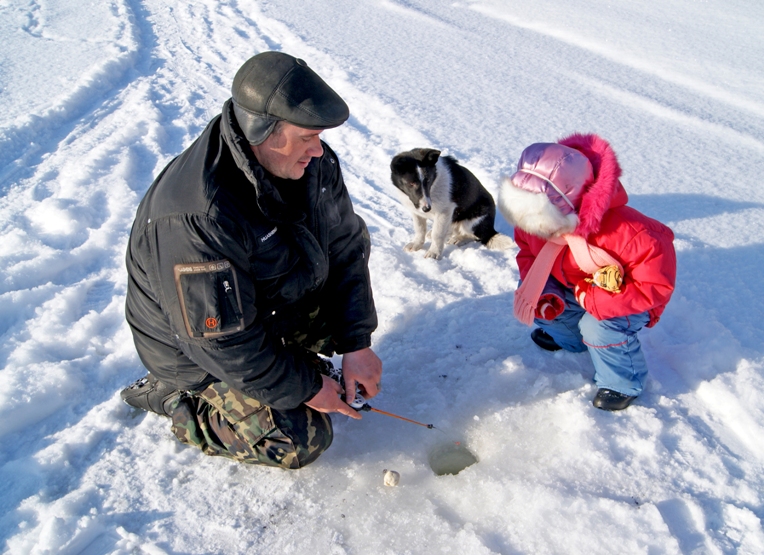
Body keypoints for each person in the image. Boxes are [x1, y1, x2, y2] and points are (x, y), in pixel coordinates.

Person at [120, 51, 382, 468]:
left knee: (342, 280)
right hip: (196, 351)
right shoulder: (199, 215)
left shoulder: (313, 165)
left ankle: (287, 359)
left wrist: (357, 344)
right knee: (300, 438)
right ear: (263, 130)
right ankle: (175, 399)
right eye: (306, 137)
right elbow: (221, 342)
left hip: (261, 305)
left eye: (319, 137)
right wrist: (307, 387)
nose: (319, 150)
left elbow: (347, 246)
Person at [498, 133, 676, 411]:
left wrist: (591, 299)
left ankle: (622, 382)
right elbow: (530, 255)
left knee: (598, 327)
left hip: (625, 297)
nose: (531, 227)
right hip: (573, 286)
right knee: (535, 296)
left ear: (568, 206)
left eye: (539, 220)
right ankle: (571, 340)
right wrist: (548, 290)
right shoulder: (531, 219)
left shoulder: (632, 233)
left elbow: (653, 286)